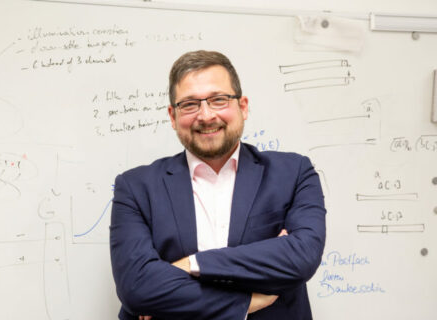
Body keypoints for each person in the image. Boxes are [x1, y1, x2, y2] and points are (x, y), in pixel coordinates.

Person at [110, 50, 326, 320]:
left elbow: (302, 257)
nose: (206, 115)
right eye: (189, 104)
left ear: (243, 106)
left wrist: (191, 265)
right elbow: (136, 289)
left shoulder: (293, 173)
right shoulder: (135, 187)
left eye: (218, 100)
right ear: (173, 116)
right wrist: (245, 302)